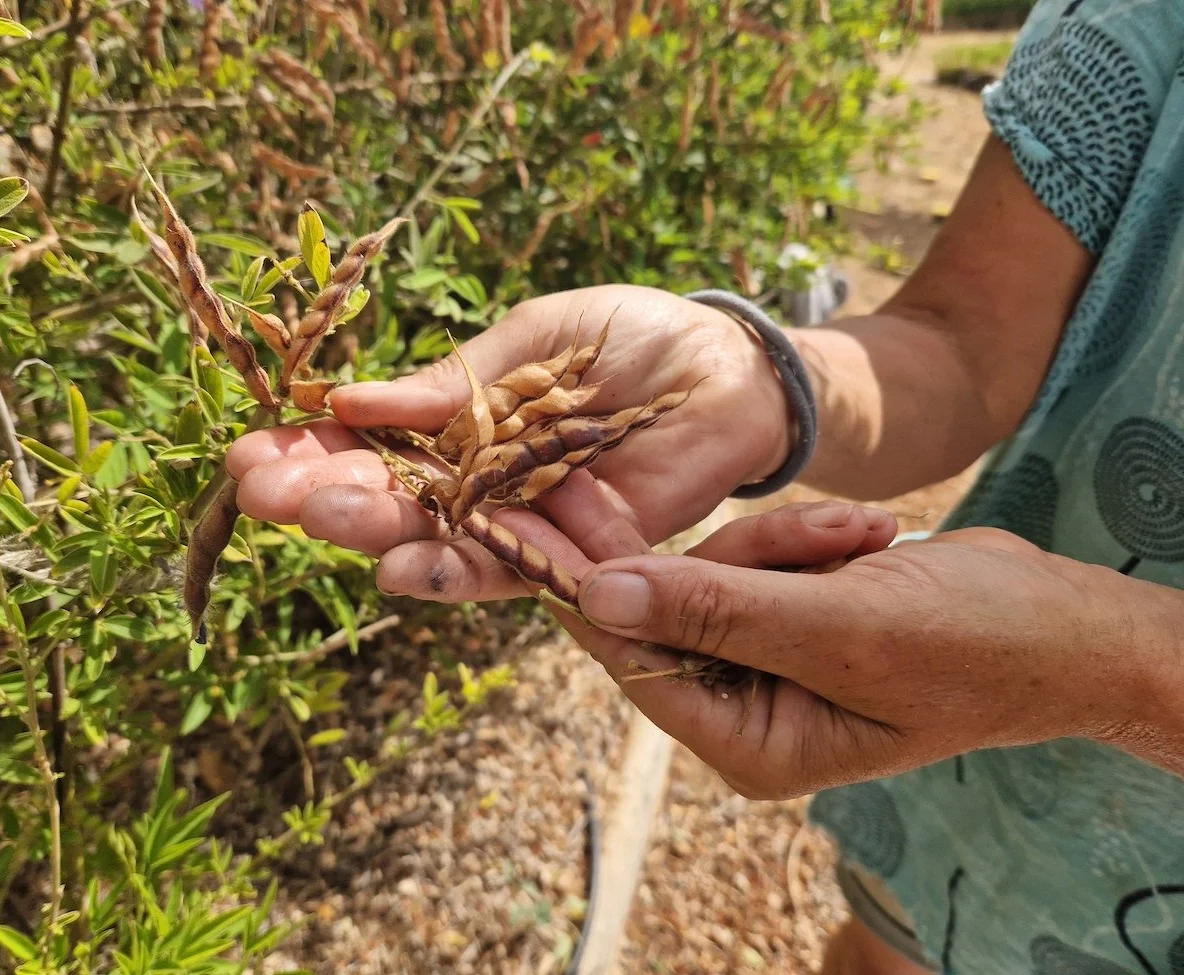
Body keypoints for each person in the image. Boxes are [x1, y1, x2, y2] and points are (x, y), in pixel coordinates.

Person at [227, 0, 1184, 969]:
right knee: (882, 948)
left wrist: (1113, 669)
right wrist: (756, 377)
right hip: (979, 815)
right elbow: (963, 347)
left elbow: (1101, 664)